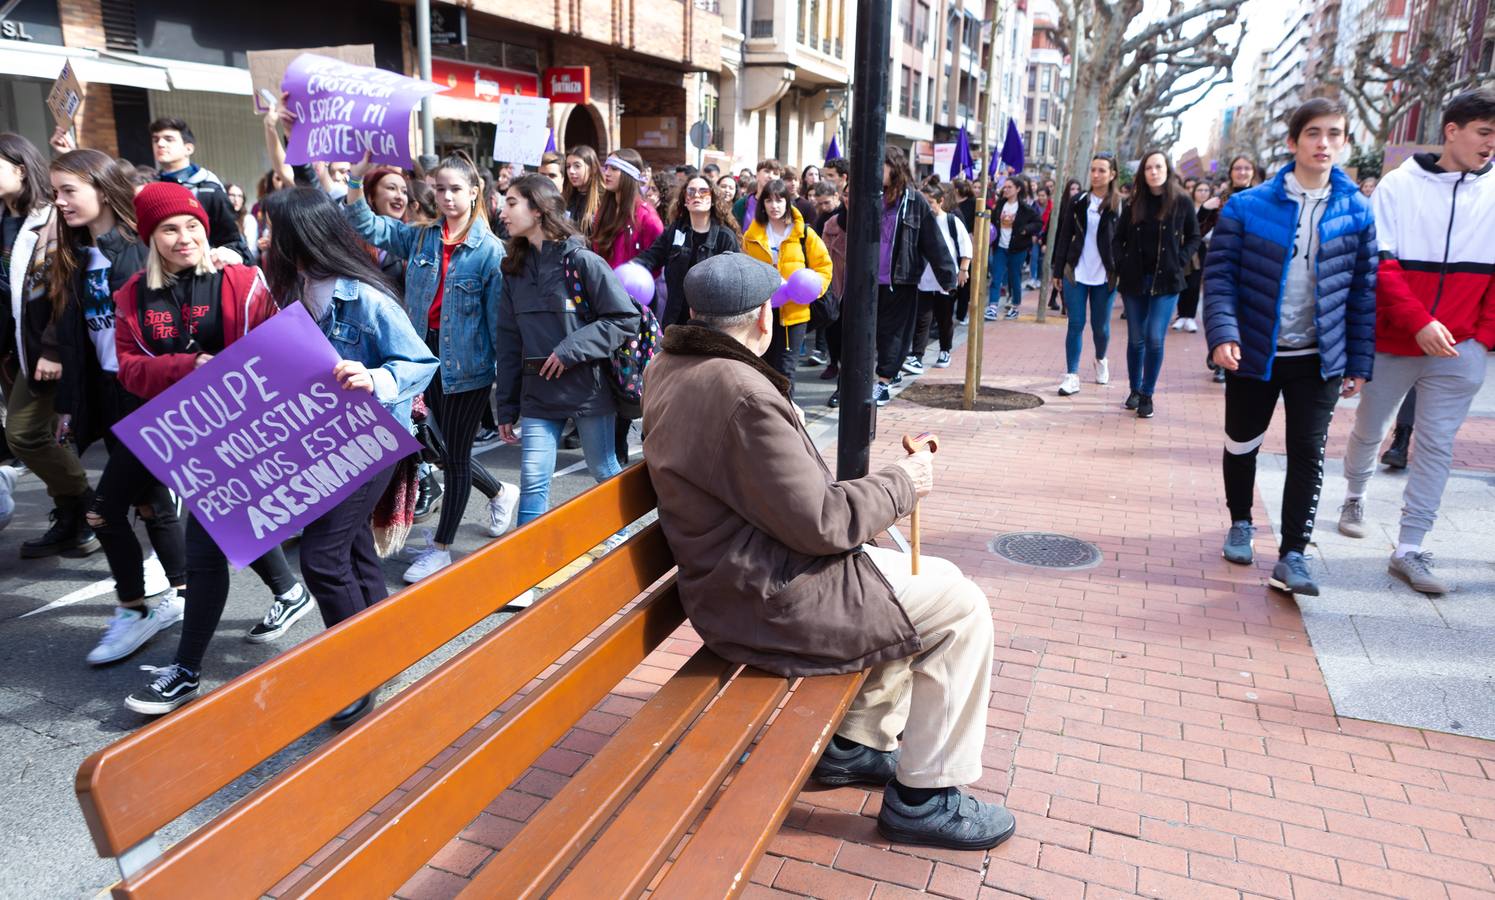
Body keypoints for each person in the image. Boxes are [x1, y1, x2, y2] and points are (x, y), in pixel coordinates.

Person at [641, 252, 1016, 852]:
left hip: (741, 578)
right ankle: (926, 798)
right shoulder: (740, 392)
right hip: (768, 598)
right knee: (963, 607)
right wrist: (904, 483)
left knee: (928, 582)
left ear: (696, 314)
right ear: (765, 317)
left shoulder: (672, 365)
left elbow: (793, 510)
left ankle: (857, 743)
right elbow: (822, 522)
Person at [116, 182, 307, 715]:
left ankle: (186, 670)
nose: (184, 237)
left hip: (252, 429)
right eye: (169, 229)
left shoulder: (241, 279)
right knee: (228, 523)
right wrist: (184, 367)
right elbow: (130, 371)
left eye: (193, 225)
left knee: (204, 548)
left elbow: (284, 341)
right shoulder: (132, 296)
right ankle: (290, 592)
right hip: (190, 436)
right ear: (150, 237)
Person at [260, 187, 438, 720]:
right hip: (322, 442)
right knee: (354, 547)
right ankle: (382, 647)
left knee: (321, 557)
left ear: (299, 237)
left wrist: (376, 376)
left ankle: (356, 674)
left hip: (372, 439)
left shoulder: (365, 297)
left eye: (273, 230)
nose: (265, 240)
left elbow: (420, 362)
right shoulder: (289, 287)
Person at [1205, 97, 1378, 596]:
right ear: (1293, 142)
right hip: (1255, 351)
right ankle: (1241, 521)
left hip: (1318, 358)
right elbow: (1219, 280)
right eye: (1314, 134)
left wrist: (1359, 361)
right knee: (1242, 441)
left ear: (1344, 142)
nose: (1324, 143)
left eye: (1334, 134)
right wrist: (1224, 334)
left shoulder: (1357, 211)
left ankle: (1293, 554)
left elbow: (1364, 291)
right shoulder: (1246, 206)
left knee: (1308, 451)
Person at [1334, 88, 1495, 596]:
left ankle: (1409, 547)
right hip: (1396, 340)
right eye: (1484, 133)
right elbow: (1382, 267)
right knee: (1370, 426)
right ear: (1452, 130)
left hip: (1461, 349)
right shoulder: (1398, 185)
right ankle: (1355, 493)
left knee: (1436, 446)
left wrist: (1483, 340)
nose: (1491, 145)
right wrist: (1419, 322)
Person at [346, 151, 520, 583]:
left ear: (475, 193)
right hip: (420, 360)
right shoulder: (422, 239)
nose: (445, 197)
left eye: (455, 189)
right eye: (440, 189)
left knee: (456, 457)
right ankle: (500, 492)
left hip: (468, 368)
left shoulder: (489, 252)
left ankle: (441, 549)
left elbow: (498, 322)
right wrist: (354, 181)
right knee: (436, 449)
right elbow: (369, 226)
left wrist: (506, 391)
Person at [48, 149, 186, 665]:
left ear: (102, 191)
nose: (58, 202)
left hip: (145, 397)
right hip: (107, 397)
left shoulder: (135, 249)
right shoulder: (78, 256)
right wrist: (70, 405)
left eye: (68, 191)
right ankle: (186, 595)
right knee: (150, 504)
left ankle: (136, 609)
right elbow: (76, 340)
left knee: (102, 513)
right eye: (55, 192)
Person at [494, 174, 639, 578]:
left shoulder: (582, 261)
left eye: (510, 203)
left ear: (537, 210)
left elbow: (624, 317)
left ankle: (626, 537)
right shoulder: (513, 269)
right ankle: (526, 572)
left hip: (588, 389)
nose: (502, 212)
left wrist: (570, 349)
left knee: (603, 468)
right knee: (533, 478)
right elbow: (507, 341)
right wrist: (506, 405)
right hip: (538, 395)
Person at [1, 132, 102, 558]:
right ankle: (70, 516)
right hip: (11, 347)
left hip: (43, 347)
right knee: (40, 434)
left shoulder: (49, 217)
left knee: (22, 435)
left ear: (20, 170)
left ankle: (83, 504)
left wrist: (52, 349)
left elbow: (61, 289)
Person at [1114, 150, 1200, 419]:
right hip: (1134, 281)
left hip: (1167, 281)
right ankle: (1135, 389)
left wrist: (1180, 260)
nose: (1154, 171)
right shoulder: (1132, 203)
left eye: (1158, 166)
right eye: (1149, 167)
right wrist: (1122, 263)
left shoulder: (1181, 202)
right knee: (1136, 340)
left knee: (1153, 337)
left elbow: (1194, 236)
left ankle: (1148, 393)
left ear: (1167, 169)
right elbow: (1117, 240)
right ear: (1143, 172)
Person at [874, 147, 957, 406]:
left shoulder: (914, 201)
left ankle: (884, 382)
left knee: (894, 334)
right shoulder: (871, 196)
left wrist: (948, 279)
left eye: (882, 166)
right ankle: (877, 375)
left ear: (895, 168)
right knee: (869, 334)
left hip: (901, 281)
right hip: (868, 281)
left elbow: (933, 241)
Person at [740, 178, 834, 393]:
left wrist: (812, 289)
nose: (774, 205)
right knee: (763, 370)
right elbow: (744, 269)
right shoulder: (751, 236)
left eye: (780, 200)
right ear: (762, 204)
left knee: (785, 371)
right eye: (769, 200)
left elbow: (824, 266)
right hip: (761, 315)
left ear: (788, 202)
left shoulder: (804, 234)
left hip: (794, 314)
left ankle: (788, 420)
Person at [1051, 155, 1123, 398]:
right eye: (1093, 170)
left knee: (1100, 327)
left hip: (1106, 275)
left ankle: (1101, 359)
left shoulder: (1120, 205)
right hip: (1076, 272)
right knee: (1075, 323)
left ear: (1112, 174)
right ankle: (1072, 375)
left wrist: (1121, 269)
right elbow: (1064, 235)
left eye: (1102, 170)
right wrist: (1058, 269)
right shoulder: (1078, 201)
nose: (1095, 174)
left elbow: (1126, 242)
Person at [632, 174, 741, 329]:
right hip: (675, 321)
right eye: (691, 191)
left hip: (711, 323)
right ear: (685, 200)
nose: (696, 195)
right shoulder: (674, 231)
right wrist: (632, 266)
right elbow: (652, 256)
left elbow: (736, 278)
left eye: (703, 191)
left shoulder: (725, 237)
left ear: (712, 199)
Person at [1204, 156, 1267, 384]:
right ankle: (1219, 358)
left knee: (1244, 314)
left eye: (1246, 168)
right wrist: (1204, 208)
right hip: (1223, 263)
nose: (1241, 172)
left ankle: (1234, 357)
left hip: (1252, 265)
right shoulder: (1222, 200)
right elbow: (1198, 228)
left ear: (1254, 172)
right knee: (1222, 311)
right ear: (1230, 172)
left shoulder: (1263, 200)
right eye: (1237, 168)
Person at [148, 117, 247, 260]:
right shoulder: (150, 189)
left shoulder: (209, 189)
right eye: (156, 140)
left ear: (188, 148)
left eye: (169, 139)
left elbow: (232, 242)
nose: (160, 144)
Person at [909, 184, 971, 372]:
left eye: (930, 203)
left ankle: (945, 350)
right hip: (924, 278)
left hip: (945, 278)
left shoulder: (952, 221)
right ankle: (917, 355)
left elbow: (965, 246)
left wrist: (963, 269)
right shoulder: (919, 221)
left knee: (944, 316)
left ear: (941, 201)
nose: (927, 207)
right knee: (922, 318)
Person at [985, 177, 1039, 321]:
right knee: (996, 276)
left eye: (1009, 187)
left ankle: (1015, 306)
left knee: (1014, 277)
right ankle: (993, 307)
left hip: (1017, 249)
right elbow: (992, 218)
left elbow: (1038, 222)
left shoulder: (1025, 208)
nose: (1006, 189)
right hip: (1000, 247)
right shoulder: (1000, 205)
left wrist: (1025, 230)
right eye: (1005, 187)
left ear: (1018, 189)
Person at [1171, 180, 1216, 334]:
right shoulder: (1185, 206)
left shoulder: (1215, 210)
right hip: (1185, 247)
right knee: (1183, 281)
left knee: (1195, 283)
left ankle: (1190, 316)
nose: (1202, 193)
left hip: (1203, 249)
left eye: (1205, 190)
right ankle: (1181, 315)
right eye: (1199, 190)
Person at [563, 145, 604, 237]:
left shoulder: (604, 199)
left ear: (593, 168)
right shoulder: (565, 197)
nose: (571, 171)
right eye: (568, 166)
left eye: (577, 166)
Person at [733, 159, 782, 226]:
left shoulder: (786, 205)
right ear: (757, 175)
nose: (771, 176)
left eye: (775, 173)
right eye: (767, 171)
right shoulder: (741, 204)